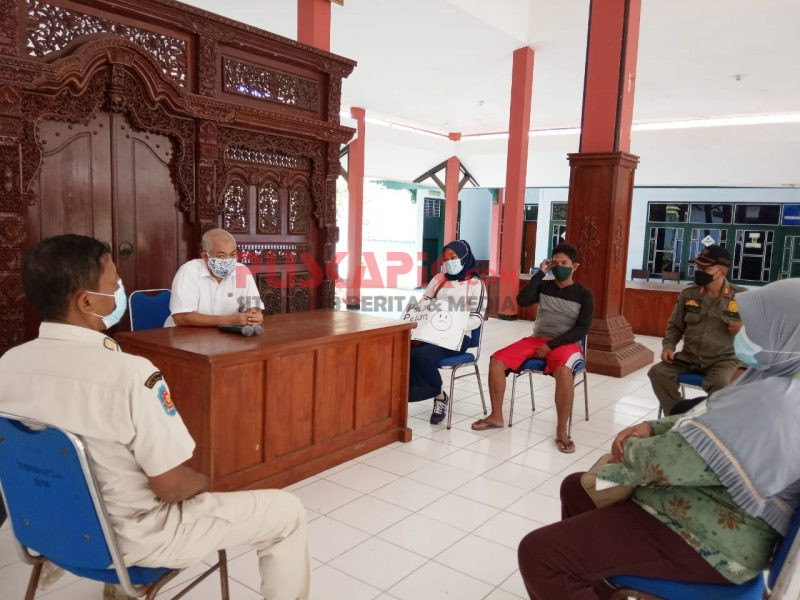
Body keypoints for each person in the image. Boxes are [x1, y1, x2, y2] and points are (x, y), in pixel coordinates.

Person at [0, 234, 309, 600]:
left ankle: (114, 586)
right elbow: (171, 486)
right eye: (113, 283)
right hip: (136, 539)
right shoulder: (129, 375)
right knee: (287, 512)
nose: (119, 289)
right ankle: (127, 582)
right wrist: (207, 479)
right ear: (85, 301)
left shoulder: (8, 365)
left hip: (47, 528)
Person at [517, 277, 800, 599]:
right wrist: (653, 427)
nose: (743, 330)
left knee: (540, 553)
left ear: (784, 333)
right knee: (578, 487)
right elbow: (706, 414)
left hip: (707, 536)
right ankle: (600, 583)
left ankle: (587, 568)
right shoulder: (774, 377)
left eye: (757, 326)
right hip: (698, 502)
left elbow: (670, 461)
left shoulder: (773, 404)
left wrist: (629, 450)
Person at [472, 244, 593, 454]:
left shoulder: (584, 294)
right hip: (537, 339)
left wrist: (551, 345)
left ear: (575, 266)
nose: (560, 267)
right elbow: (522, 300)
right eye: (555, 263)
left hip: (566, 343)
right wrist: (540, 273)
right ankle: (496, 416)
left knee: (564, 371)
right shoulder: (545, 286)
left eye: (564, 263)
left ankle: (561, 430)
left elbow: (582, 328)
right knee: (497, 360)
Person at [648, 244, 745, 416]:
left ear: (722, 271)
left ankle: (712, 424)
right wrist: (668, 346)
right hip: (689, 358)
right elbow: (675, 326)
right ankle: (678, 416)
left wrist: (743, 328)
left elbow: (762, 333)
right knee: (657, 373)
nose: (699, 271)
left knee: (720, 384)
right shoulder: (689, 295)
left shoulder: (743, 298)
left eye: (705, 268)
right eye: (698, 267)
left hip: (722, 360)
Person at [408, 240, 487, 424]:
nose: (449, 261)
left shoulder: (476, 284)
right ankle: (405, 396)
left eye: (454, 257)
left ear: (465, 257)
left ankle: (440, 397)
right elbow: (423, 305)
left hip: (458, 338)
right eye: (446, 258)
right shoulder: (438, 279)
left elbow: (477, 318)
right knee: (406, 352)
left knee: (422, 356)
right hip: (430, 333)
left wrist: (453, 325)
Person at [167, 228, 264, 327]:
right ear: (206, 256)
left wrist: (254, 315)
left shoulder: (242, 272)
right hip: (184, 336)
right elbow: (181, 317)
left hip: (227, 336)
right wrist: (229, 320)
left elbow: (253, 306)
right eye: (222, 256)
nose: (228, 260)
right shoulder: (189, 271)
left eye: (232, 255)